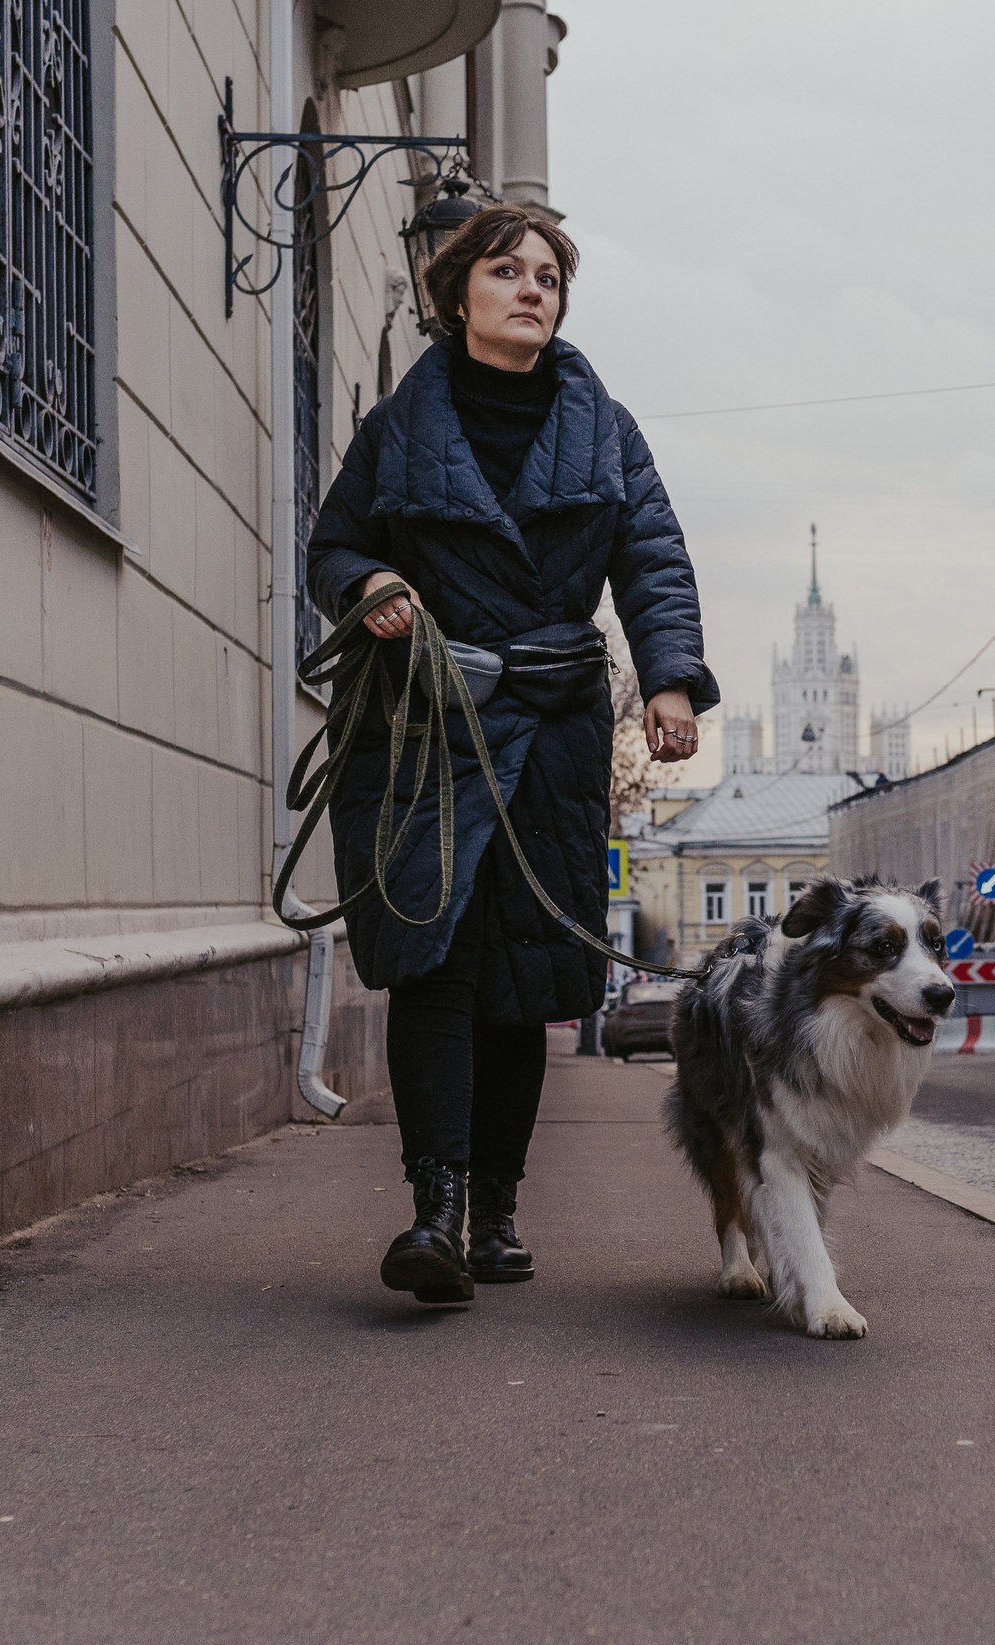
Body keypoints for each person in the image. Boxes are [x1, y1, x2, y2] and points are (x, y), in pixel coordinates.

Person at [306, 203, 715, 1307]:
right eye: (506, 270)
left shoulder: (603, 426)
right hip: (427, 727)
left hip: (554, 730)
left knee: (526, 971)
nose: (531, 288)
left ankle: (494, 1212)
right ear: (457, 296)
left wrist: (669, 682)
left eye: (548, 275)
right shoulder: (401, 426)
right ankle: (432, 1212)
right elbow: (334, 544)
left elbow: (653, 558)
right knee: (434, 958)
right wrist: (373, 584)